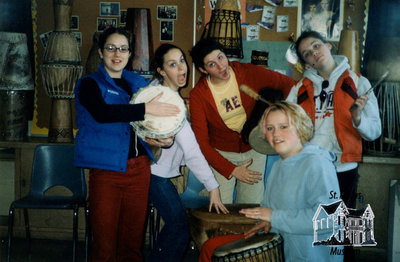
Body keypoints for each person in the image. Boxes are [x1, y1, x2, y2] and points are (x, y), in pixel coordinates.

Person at [73, 27, 180, 262]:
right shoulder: (89, 84)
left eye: (123, 48)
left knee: (132, 245)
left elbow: (148, 124)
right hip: (106, 171)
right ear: (101, 52)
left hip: (139, 170)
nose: (117, 53)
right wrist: (146, 109)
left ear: (130, 54)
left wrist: (161, 138)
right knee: (105, 247)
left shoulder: (139, 84)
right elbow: (103, 113)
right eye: (111, 48)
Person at [199, 101, 342, 261]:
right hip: (283, 248)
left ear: (300, 128)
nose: (276, 134)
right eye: (269, 128)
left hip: (311, 256)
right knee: (210, 247)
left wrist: (274, 217)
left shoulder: (317, 163)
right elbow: (272, 211)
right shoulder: (278, 167)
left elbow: (330, 219)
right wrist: (266, 223)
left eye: (283, 126)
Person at [287, 30, 381, 261]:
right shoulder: (298, 89)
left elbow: (375, 131)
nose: (314, 54)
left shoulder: (358, 82)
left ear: (329, 45)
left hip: (343, 168)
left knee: (343, 232)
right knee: (312, 229)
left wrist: (358, 118)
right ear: (304, 61)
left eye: (316, 46)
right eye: (307, 53)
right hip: (309, 169)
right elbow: (286, 126)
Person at [146, 43, 228, 261]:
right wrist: (213, 187)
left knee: (178, 226)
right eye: (173, 64)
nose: (181, 68)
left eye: (182, 60)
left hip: (155, 174)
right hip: (153, 175)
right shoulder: (169, 102)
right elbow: (191, 151)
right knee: (179, 226)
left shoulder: (162, 93)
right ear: (162, 71)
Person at [189, 39, 295, 204]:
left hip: (254, 149)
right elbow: (201, 143)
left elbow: (288, 84)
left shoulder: (247, 72)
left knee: (251, 209)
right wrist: (231, 170)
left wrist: (283, 115)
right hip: (221, 154)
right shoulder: (198, 95)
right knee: (221, 210)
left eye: (220, 57)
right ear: (203, 69)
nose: (221, 66)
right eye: (211, 64)